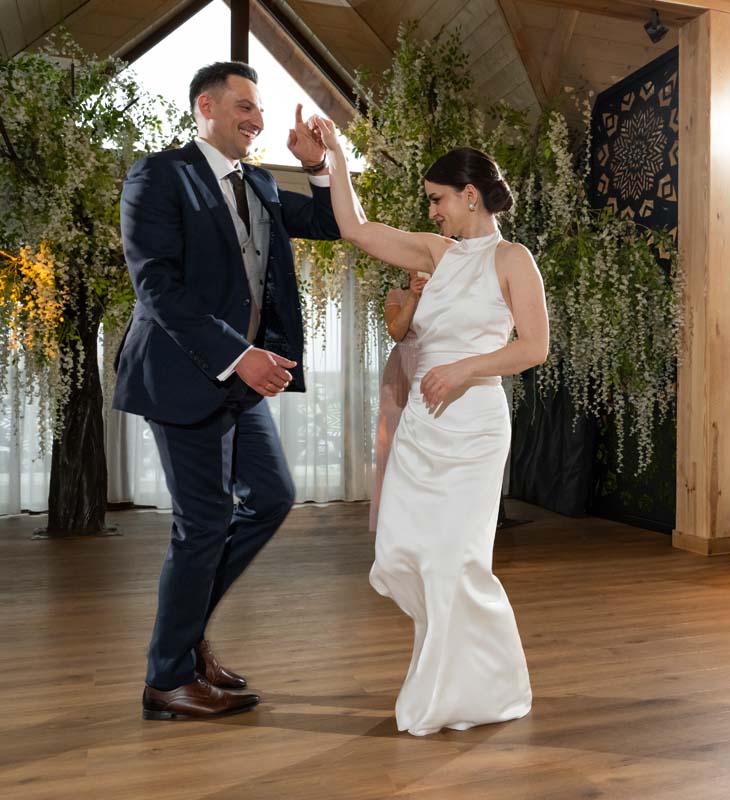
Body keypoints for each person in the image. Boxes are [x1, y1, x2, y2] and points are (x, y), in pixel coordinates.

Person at [113, 62, 340, 720]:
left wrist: (318, 166)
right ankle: (167, 680)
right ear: (206, 108)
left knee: (271, 497)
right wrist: (240, 356)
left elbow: (327, 223)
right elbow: (156, 287)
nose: (258, 120)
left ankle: (185, 641)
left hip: (238, 384)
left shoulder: (261, 183)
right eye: (245, 106)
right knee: (204, 523)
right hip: (181, 377)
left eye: (260, 110)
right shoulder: (159, 176)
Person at [313, 115, 549, 735]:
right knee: (401, 553)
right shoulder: (434, 253)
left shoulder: (512, 259)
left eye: (438, 199)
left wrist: (466, 368)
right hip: (422, 425)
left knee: (455, 562)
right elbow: (355, 229)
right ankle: (466, 669)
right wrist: (335, 155)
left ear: (470, 195)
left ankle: (469, 689)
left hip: (474, 427)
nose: (433, 211)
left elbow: (534, 347)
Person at [370, 279, 425, 532]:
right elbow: (396, 332)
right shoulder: (396, 294)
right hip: (401, 370)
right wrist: (413, 296)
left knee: (429, 441)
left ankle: (427, 513)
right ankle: (395, 514)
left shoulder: (447, 291)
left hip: (434, 367)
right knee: (394, 439)